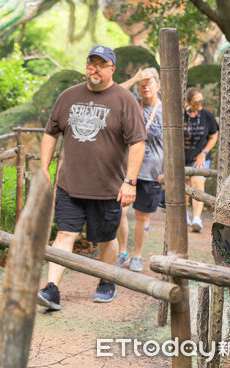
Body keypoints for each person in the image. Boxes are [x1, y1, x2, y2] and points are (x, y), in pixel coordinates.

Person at [37, 46, 146, 308]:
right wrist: (44, 170)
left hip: (108, 188)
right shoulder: (68, 96)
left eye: (101, 64)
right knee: (64, 235)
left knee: (105, 239)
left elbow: (138, 143)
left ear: (112, 69)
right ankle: (52, 288)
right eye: (91, 63)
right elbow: (50, 133)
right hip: (70, 184)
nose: (95, 68)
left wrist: (130, 181)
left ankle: (106, 280)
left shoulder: (124, 100)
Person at [115, 68, 164, 272]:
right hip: (128, 169)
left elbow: (174, 143)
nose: (145, 86)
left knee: (143, 216)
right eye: (141, 84)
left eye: (149, 82)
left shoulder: (166, 111)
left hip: (153, 172)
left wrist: (167, 170)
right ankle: (122, 251)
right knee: (119, 210)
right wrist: (135, 77)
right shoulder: (133, 104)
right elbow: (114, 92)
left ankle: (137, 256)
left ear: (158, 86)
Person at [184, 87, 218, 232]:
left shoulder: (207, 116)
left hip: (200, 158)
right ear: (188, 102)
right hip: (183, 157)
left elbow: (213, 136)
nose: (200, 104)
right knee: (183, 186)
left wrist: (204, 152)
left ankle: (197, 218)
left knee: (197, 181)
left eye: (201, 101)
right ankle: (183, 215)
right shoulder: (182, 115)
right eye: (196, 102)